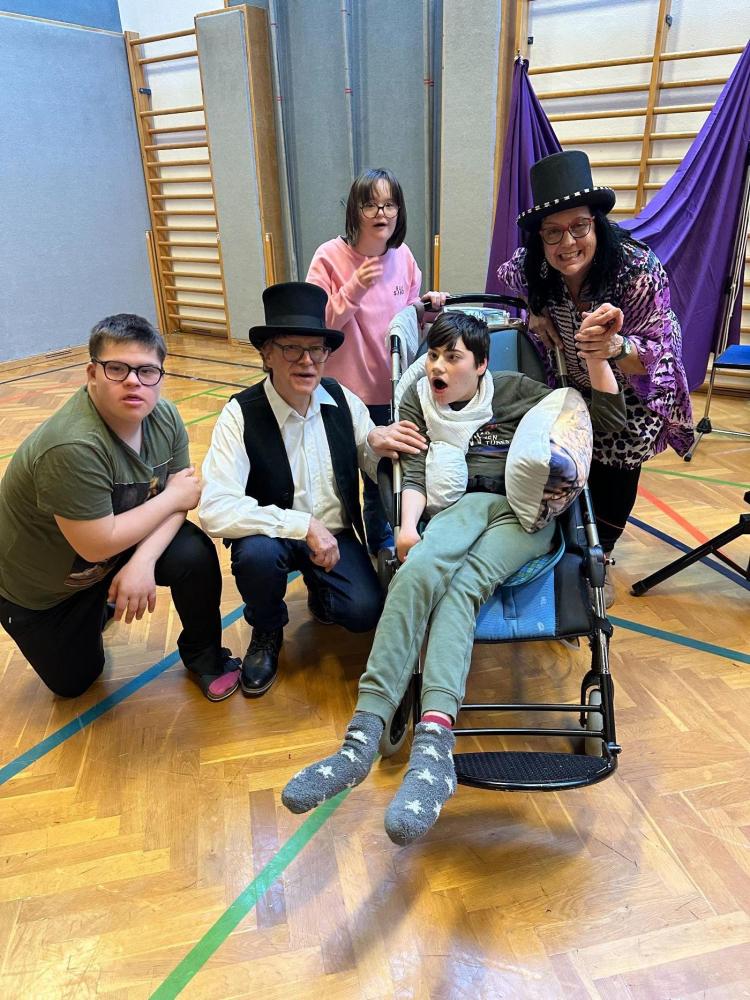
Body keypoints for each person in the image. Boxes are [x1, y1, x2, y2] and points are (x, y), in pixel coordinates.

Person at [281, 312, 626, 845]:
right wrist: (407, 528)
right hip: (458, 508)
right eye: (434, 355)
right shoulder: (418, 398)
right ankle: (361, 737)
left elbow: (593, 421)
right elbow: (414, 469)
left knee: (462, 589)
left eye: (453, 357)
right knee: (416, 571)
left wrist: (598, 366)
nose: (438, 366)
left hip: (521, 514)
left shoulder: (515, 391)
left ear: (481, 365)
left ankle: (435, 745)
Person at [199, 282, 427, 699]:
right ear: (266, 354)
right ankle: (267, 629)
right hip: (272, 535)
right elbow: (214, 507)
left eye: (316, 349)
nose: (306, 361)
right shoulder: (240, 414)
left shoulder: (343, 400)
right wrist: (302, 525)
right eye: (291, 348)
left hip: (336, 534)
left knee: (364, 612)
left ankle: (323, 592)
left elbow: (369, 456)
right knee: (255, 557)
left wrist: (375, 444)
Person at [0, 314, 241, 701]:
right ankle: (101, 606)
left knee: (193, 552)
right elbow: (100, 542)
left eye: (147, 370)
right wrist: (172, 497)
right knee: (75, 683)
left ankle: (205, 655)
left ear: (160, 376)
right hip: (46, 592)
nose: (133, 381)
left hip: (109, 550)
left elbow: (181, 502)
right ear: (92, 374)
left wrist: (143, 561)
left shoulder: (165, 417)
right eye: (117, 368)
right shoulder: (72, 445)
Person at [496, 150, 693, 606]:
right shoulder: (534, 264)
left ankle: (598, 559)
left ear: (597, 224)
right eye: (553, 231)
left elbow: (663, 355)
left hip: (633, 393)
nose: (567, 242)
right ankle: (562, 554)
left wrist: (616, 348)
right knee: (565, 467)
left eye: (579, 226)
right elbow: (510, 278)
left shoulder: (636, 272)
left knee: (613, 474)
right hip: (571, 385)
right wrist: (535, 311)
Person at [306, 167, 447, 557]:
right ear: (355, 210)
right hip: (343, 395)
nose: (381, 213)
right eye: (370, 205)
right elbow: (320, 327)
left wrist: (427, 309)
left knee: (383, 474)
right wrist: (354, 287)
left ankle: (381, 545)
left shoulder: (404, 257)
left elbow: (407, 325)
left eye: (389, 204)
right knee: (341, 476)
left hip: (393, 391)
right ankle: (340, 548)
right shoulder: (329, 257)